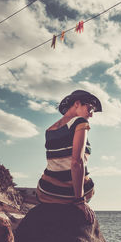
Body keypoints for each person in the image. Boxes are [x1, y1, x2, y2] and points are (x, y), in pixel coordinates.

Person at [36, 90, 102, 224]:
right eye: (90, 108)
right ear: (77, 103)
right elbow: (76, 162)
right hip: (67, 193)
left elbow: (56, 162)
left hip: (46, 192)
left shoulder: (49, 130)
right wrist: (80, 201)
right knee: (91, 188)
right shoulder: (80, 122)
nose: (91, 114)